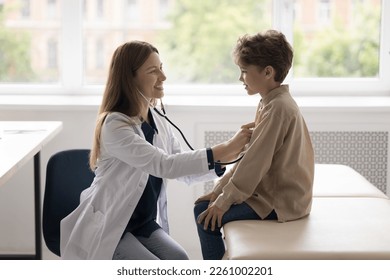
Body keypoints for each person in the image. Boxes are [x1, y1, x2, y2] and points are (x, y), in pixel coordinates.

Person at [60, 41, 254, 260]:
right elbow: (165, 165)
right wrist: (226, 147)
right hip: (113, 226)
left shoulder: (157, 120)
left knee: (179, 260)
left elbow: (183, 167)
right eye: (153, 71)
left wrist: (227, 157)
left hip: (141, 223)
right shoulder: (115, 125)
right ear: (129, 78)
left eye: (161, 68)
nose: (163, 77)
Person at [194, 30, 315, 260]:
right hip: (271, 192)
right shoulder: (270, 102)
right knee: (204, 206)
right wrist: (218, 191)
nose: (241, 78)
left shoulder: (278, 108)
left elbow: (254, 164)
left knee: (203, 215)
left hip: (281, 201)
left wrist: (222, 202)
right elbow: (250, 157)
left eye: (244, 71)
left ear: (268, 72)